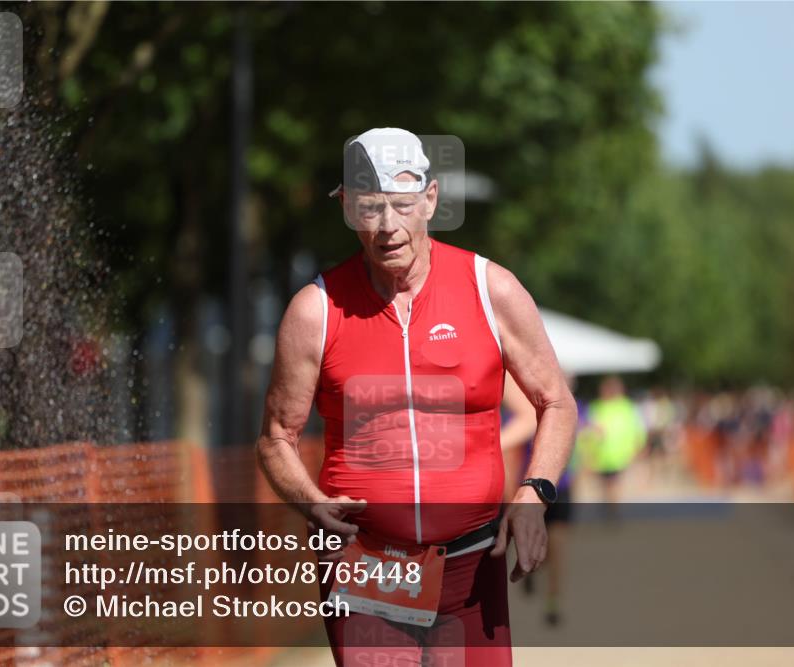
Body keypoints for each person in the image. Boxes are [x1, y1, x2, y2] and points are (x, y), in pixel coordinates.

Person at [256, 128, 577, 665]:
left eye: (402, 206)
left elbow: (556, 403)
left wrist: (534, 494)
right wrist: (309, 500)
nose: (387, 227)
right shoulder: (315, 309)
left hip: (472, 565)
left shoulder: (489, 287)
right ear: (347, 207)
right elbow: (275, 438)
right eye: (369, 209)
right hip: (367, 567)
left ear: (430, 199)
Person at [501, 373, 578, 626]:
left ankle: (553, 601)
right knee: (537, 547)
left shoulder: (570, 413)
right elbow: (512, 457)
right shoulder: (524, 415)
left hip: (560, 490)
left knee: (557, 548)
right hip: (528, 491)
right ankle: (532, 565)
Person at [584, 375, 645, 506]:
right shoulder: (597, 406)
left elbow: (638, 430)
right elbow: (588, 431)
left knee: (613, 486)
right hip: (600, 455)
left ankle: (612, 511)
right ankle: (609, 509)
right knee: (605, 487)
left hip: (620, 455)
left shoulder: (627, 407)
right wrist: (588, 452)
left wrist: (637, 448)